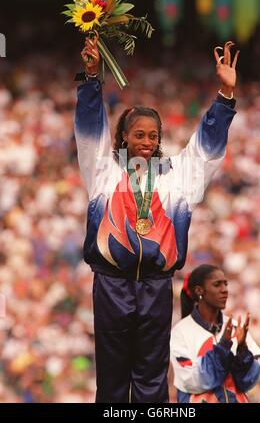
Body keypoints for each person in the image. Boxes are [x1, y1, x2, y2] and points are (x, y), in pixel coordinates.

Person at [74, 34, 239, 403]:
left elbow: (205, 151)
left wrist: (225, 98)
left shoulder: (177, 175)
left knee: (151, 380)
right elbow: (88, 130)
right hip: (111, 284)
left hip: (156, 286)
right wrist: (90, 77)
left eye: (153, 135)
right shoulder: (102, 170)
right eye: (138, 134)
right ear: (123, 137)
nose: (146, 141)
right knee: (113, 381)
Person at [170, 265, 260, 403]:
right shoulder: (181, 332)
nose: (224, 290)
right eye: (217, 285)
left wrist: (242, 349)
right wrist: (223, 347)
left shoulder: (236, 326)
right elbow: (193, 381)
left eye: (226, 284)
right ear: (199, 290)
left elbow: (248, 381)